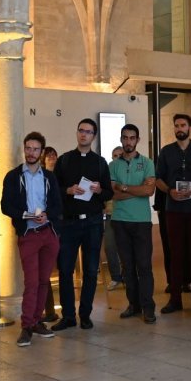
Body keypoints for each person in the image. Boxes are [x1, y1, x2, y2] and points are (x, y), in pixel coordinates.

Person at [0, 132, 62, 347]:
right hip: (28, 234)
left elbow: (57, 205)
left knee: (45, 280)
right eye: (28, 148)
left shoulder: (49, 177)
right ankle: (26, 325)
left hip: (48, 233)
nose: (31, 152)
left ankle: (37, 321)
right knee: (32, 281)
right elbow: (6, 206)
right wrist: (25, 215)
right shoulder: (13, 176)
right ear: (24, 149)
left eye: (36, 149)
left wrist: (48, 215)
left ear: (41, 152)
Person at [51, 118, 113, 331]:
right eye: (81, 131)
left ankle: (85, 314)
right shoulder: (65, 160)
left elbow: (108, 192)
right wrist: (67, 190)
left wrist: (98, 191)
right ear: (77, 133)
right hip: (68, 224)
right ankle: (68, 315)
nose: (83, 135)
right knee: (65, 269)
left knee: (90, 270)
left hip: (93, 223)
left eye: (88, 132)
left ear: (93, 136)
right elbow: (53, 190)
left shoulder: (99, 162)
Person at [155, 113, 191, 314]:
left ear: (190, 128)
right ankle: (175, 299)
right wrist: (169, 190)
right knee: (175, 254)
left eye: (183, 125)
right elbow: (158, 178)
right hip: (173, 210)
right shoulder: (166, 152)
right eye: (177, 125)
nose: (180, 128)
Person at [110, 124, 157, 323]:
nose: (128, 141)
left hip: (142, 221)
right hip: (119, 221)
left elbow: (149, 191)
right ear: (121, 139)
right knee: (127, 267)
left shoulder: (147, 163)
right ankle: (133, 305)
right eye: (125, 138)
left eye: (132, 138)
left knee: (144, 266)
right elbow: (112, 193)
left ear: (137, 140)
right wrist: (134, 189)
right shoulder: (112, 165)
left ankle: (148, 307)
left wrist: (125, 187)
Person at [39, 146, 60, 323]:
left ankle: (51, 310)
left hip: (58, 227)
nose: (52, 158)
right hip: (43, 226)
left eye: (54, 155)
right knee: (43, 272)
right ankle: (48, 310)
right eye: (49, 155)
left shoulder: (59, 176)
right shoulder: (40, 177)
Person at [103, 146, 125, 292]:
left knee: (126, 248)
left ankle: (128, 276)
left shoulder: (126, 174)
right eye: (114, 155)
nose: (116, 158)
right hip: (110, 215)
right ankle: (116, 277)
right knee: (110, 247)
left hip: (125, 215)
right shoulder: (107, 174)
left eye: (119, 155)